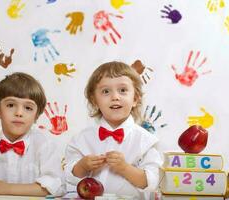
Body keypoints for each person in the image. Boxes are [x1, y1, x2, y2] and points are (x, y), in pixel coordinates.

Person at [64, 61, 163, 199]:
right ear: (94, 101)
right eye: (106, 91)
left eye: (122, 90)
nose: (115, 97)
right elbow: (69, 178)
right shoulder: (81, 139)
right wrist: (83, 166)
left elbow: (152, 182)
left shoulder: (146, 141)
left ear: (135, 99)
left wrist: (124, 168)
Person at [0, 72, 65, 196]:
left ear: (36, 115)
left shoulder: (45, 145)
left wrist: (5, 188)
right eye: (11, 105)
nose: (19, 112)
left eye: (28, 108)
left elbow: (56, 187)